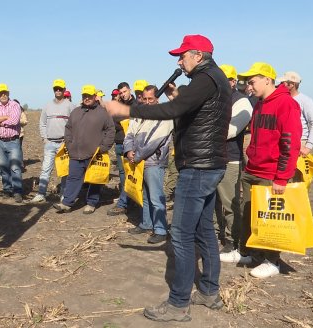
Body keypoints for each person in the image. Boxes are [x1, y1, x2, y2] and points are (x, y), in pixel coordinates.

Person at [105, 34, 232, 322]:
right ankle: (209, 293)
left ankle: (177, 305)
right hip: (210, 164)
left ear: (198, 56)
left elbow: (171, 110)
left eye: (182, 55)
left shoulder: (205, 79)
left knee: (182, 235)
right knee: (204, 231)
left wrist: (126, 109)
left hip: (198, 167)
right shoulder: (217, 79)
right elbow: (187, 111)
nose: (179, 60)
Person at [221, 63, 301, 278]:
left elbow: (290, 144)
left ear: (267, 79)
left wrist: (282, 178)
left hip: (271, 172)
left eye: (252, 81)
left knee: (270, 218)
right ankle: (251, 253)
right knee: (249, 215)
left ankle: (272, 260)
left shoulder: (286, 104)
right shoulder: (258, 103)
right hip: (252, 168)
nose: (249, 85)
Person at [53, 85, 115, 214]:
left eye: (89, 96)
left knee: (94, 179)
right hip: (75, 152)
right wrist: (69, 144)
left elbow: (111, 130)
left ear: (94, 97)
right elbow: (68, 128)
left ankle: (91, 203)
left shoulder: (102, 113)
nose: (86, 98)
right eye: (84, 96)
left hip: (94, 154)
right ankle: (66, 203)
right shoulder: (76, 111)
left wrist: (104, 147)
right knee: (73, 178)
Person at [124, 85, 173, 243]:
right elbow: (129, 133)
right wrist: (128, 151)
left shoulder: (164, 116)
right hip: (138, 162)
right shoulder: (139, 115)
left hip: (154, 162)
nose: (147, 102)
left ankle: (160, 229)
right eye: (144, 99)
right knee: (143, 195)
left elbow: (153, 141)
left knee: (156, 197)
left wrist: (136, 156)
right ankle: (146, 223)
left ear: (157, 98)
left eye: (150, 99)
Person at [214, 65, 253, 250]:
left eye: (224, 79)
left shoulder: (241, 101)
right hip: (213, 157)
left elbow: (232, 130)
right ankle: (219, 233)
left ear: (232, 82)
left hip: (230, 158)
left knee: (230, 202)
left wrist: (206, 131)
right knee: (214, 202)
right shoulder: (214, 99)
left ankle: (233, 241)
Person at [30, 79, 75, 203]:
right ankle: (41, 193)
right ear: (53, 90)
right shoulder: (47, 106)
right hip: (50, 143)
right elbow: (42, 123)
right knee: (45, 169)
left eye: (60, 88)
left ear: (64, 90)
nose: (58, 91)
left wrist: (70, 141)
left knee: (64, 170)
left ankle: (63, 194)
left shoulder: (70, 106)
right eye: (56, 89)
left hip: (64, 144)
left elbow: (75, 124)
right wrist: (45, 138)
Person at [0, 83, 24, 203]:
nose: (3, 95)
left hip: (13, 141)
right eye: (0, 93)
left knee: (15, 167)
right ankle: (7, 189)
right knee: (3, 167)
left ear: (8, 93)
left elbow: (14, 120)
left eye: (5, 92)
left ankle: (17, 191)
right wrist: (5, 117)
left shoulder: (15, 105)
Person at [107, 82, 136, 217]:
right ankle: (128, 200)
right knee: (122, 174)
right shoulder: (119, 106)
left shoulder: (136, 105)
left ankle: (124, 203)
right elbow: (113, 122)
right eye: (121, 93)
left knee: (130, 174)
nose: (123, 94)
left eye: (125, 91)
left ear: (130, 90)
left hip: (131, 145)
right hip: (119, 144)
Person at [278, 71, 313, 157]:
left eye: (282, 83)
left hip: (300, 144)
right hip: (284, 143)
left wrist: (308, 147)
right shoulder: (282, 100)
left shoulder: (306, 101)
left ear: (292, 85)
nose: (280, 85)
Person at [13, 99, 28, 170]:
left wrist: (17, 121)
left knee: (18, 148)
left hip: (19, 134)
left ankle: (21, 163)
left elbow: (25, 121)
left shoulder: (21, 112)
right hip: (11, 134)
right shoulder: (9, 111)